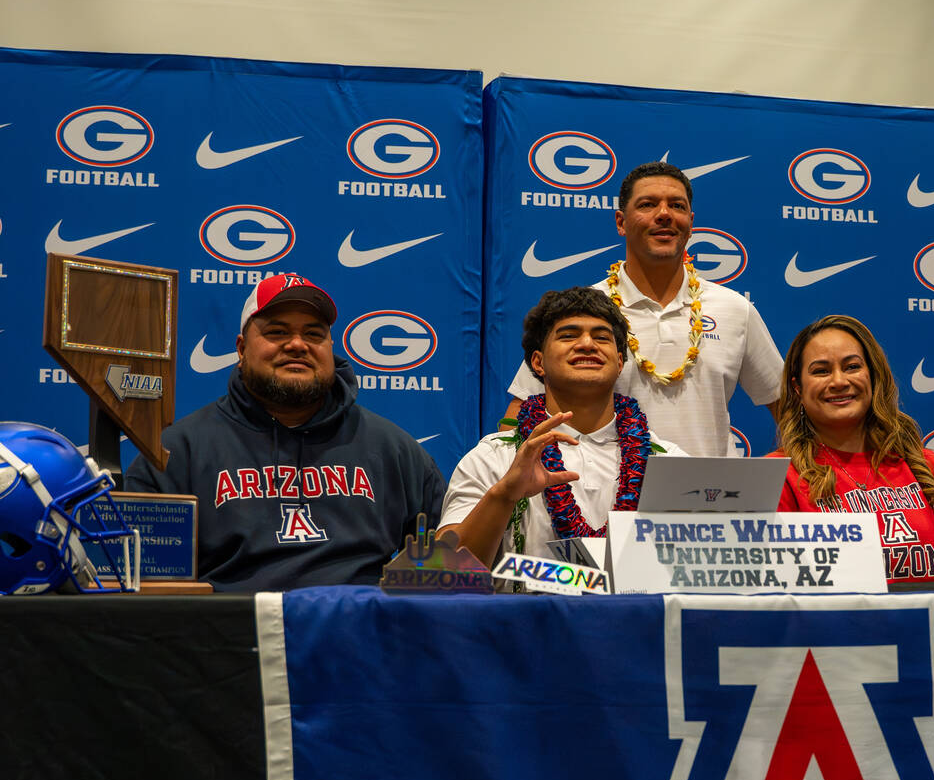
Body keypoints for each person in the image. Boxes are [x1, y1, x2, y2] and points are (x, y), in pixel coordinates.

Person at [125, 273, 445, 592]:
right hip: (233, 634)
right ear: (241, 349)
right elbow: (141, 584)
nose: (297, 344)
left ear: (330, 347)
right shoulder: (177, 451)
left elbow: (448, 562)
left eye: (313, 333)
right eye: (277, 332)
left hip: (356, 633)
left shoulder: (393, 448)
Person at [505, 161, 782, 457]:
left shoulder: (734, 309)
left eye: (676, 205)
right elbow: (519, 413)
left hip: (708, 497)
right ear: (621, 223)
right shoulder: (580, 311)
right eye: (648, 205)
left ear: (690, 222)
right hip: (604, 497)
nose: (664, 214)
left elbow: (787, 408)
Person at [442, 286, 685, 567]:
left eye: (601, 337)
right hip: (527, 612)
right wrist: (505, 493)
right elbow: (449, 570)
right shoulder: (494, 456)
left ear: (619, 363)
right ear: (538, 362)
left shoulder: (667, 461)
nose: (586, 344)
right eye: (568, 335)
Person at [774, 313, 934, 584]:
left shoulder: (933, 469)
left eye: (852, 367)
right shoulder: (780, 477)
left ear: (873, 376)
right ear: (798, 388)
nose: (838, 381)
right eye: (821, 371)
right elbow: (779, 590)